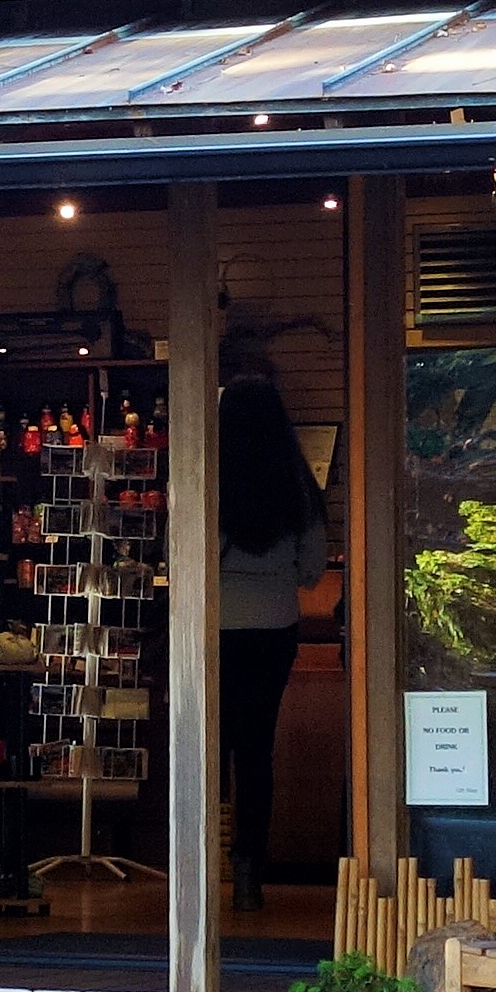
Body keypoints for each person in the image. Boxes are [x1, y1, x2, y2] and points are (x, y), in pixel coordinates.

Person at [213, 368, 335, 907]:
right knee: (255, 750)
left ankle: (196, 866)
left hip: (212, 627)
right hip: (274, 627)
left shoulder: (209, 475)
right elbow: (312, 570)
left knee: (207, 747)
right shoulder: (297, 483)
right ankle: (247, 874)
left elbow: (185, 553)